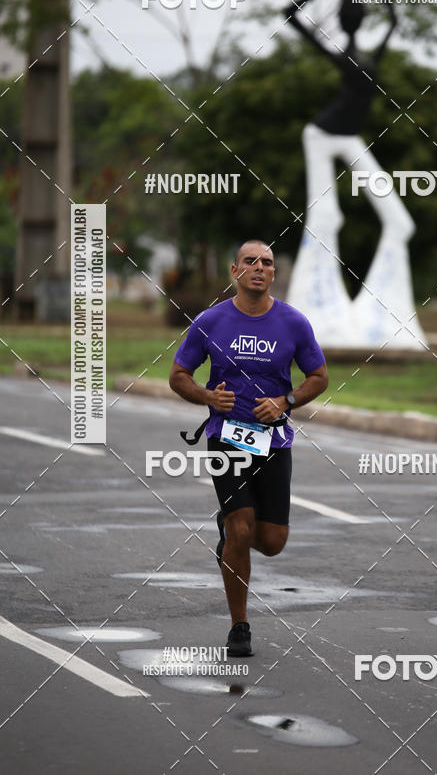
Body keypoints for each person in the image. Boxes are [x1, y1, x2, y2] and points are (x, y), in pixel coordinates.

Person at [169, 240, 328, 656]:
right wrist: (207, 397)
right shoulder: (210, 321)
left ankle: (230, 535)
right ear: (234, 271)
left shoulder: (294, 323)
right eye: (250, 261)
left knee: (272, 541)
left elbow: (319, 377)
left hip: (273, 439)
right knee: (242, 528)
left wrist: (286, 401)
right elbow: (179, 375)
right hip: (226, 437)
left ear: (274, 274)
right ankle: (239, 625)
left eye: (268, 263)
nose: (259, 267)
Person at [283, 0, 425, 349]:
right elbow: (291, 15)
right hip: (320, 135)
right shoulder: (342, 55)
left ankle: (382, 318)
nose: (356, 17)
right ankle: (315, 316)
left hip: (348, 137)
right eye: (353, 12)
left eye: (358, 11)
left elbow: (394, 20)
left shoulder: (370, 55)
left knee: (399, 220)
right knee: (326, 218)